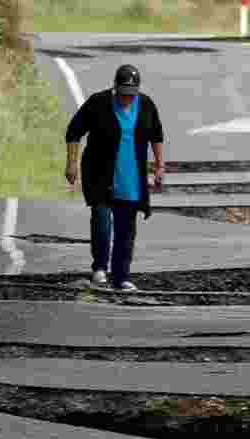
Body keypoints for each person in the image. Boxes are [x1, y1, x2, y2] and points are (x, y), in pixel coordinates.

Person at [65, 64, 165, 291]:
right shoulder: (98, 103)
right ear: (115, 88)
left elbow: (156, 135)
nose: (127, 99)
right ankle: (100, 268)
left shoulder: (147, 105)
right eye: (123, 94)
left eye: (131, 95)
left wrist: (160, 166)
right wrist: (71, 164)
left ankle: (122, 277)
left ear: (137, 91)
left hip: (131, 176)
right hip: (100, 173)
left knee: (126, 228)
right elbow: (73, 131)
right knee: (101, 218)